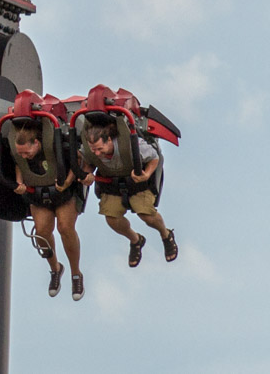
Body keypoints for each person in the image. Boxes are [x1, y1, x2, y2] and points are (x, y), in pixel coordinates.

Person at [80, 121, 177, 268]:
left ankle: (166, 234)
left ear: (109, 140)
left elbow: (154, 157)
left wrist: (147, 174)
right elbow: (88, 162)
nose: (97, 153)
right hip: (112, 183)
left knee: (146, 215)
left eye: (100, 149)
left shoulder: (132, 144)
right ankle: (136, 240)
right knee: (112, 218)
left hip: (137, 182)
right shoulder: (91, 150)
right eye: (94, 150)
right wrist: (87, 174)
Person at [12, 121, 84, 300]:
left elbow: (78, 160)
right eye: (21, 153)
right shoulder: (23, 156)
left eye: (27, 152)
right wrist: (19, 182)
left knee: (65, 228)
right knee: (42, 232)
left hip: (63, 193)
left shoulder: (56, 146)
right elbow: (19, 165)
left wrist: (67, 181)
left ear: (36, 143)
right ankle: (55, 269)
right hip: (38, 193)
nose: (25, 156)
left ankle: (76, 274)